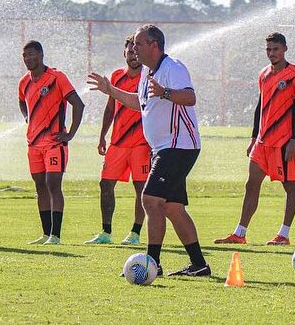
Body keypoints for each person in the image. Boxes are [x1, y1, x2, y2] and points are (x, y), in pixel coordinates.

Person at [87, 24, 210, 276]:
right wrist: (110, 89)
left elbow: (190, 97)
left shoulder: (172, 68)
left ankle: (151, 264)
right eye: (132, 44)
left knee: (150, 199)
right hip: (164, 148)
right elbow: (138, 103)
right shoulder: (146, 72)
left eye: (138, 44)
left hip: (178, 146)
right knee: (172, 208)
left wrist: (165, 92)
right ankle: (199, 265)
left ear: (154, 45)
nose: (133, 49)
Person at [214, 32, 295, 246]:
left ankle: (283, 235)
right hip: (262, 143)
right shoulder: (263, 74)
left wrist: (294, 138)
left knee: (289, 187)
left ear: (285, 48)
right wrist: (253, 137)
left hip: (284, 142)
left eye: (275, 49)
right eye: (268, 49)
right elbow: (260, 106)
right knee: (251, 184)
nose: (271, 53)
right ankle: (240, 233)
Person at [18, 40, 85, 246]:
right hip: (33, 144)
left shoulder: (57, 77)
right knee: (40, 187)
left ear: (41, 55)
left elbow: (78, 104)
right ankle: (46, 234)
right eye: (25, 55)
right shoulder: (24, 82)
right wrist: (27, 118)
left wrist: (70, 133)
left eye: (32, 54)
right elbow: (22, 101)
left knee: (53, 185)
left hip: (55, 143)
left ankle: (56, 235)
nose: (29, 58)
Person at [86, 36, 149, 245]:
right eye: (130, 52)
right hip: (117, 143)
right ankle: (106, 232)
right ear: (125, 54)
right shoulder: (115, 76)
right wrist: (103, 135)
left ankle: (135, 233)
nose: (134, 56)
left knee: (141, 189)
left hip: (142, 144)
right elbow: (110, 107)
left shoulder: (148, 77)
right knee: (105, 184)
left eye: (137, 52)